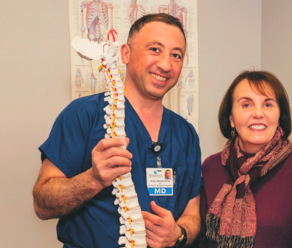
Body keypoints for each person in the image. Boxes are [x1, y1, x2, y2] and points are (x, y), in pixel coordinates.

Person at [33, 13, 202, 248]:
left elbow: (193, 215)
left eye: (176, 55)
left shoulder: (186, 134)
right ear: (125, 54)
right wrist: (92, 179)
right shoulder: (84, 115)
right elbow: (41, 203)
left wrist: (180, 234)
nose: (165, 64)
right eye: (155, 49)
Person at [198, 71, 292, 248]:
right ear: (231, 119)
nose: (258, 113)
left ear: (280, 115)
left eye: (267, 104)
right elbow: (201, 239)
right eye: (247, 105)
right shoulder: (211, 166)